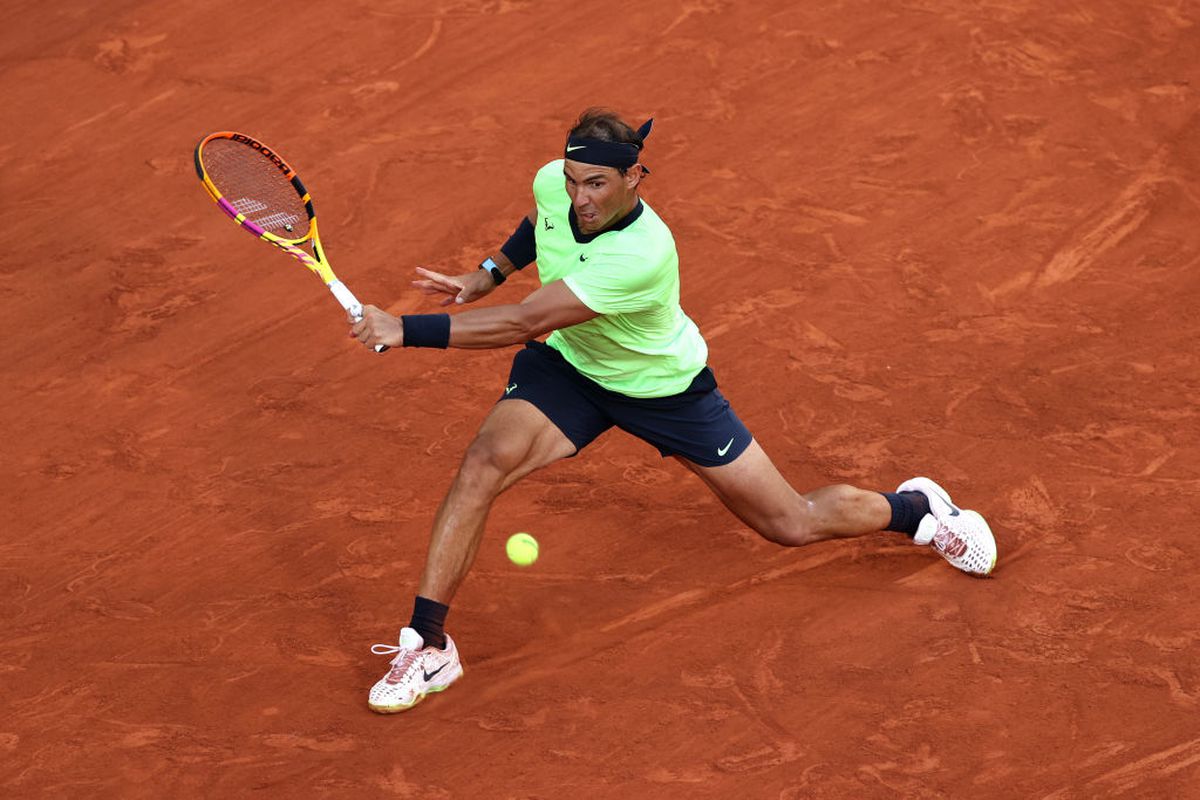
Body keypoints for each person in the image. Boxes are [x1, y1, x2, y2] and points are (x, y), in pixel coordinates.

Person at [349, 108, 997, 714]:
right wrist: (486, 271)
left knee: (790, 523)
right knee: (483, 463)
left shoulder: (643, 253)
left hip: (664, 388)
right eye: (574, 180)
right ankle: (429, 645)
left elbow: (524, 319)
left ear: (635, 176)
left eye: (597, 183)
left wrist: (404, 330)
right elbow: (538, 222)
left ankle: (918, 510)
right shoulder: (557, 182)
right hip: (572, 368)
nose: (581, 198)